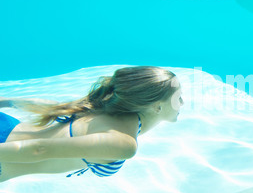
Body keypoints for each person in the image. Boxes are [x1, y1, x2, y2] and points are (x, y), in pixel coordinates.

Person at [0, 66, 184, 182]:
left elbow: (52, 106)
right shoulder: (123, 143)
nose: (182, 103)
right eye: (178, 98)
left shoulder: (108, 104)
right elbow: (39, 149)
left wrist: (5, 101)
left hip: (7, 126)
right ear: (157, 107)